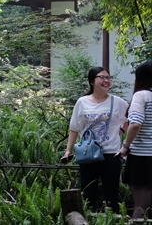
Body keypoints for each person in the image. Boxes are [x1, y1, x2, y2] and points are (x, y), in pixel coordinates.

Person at [60, 67, 128, 213]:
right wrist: (68, 151)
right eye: (102, 77)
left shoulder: (117, 102)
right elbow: (74, 128)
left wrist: (120, 131)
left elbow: (131, 119)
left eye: (108, 78)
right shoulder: (82, 102)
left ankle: (114, 220)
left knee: (112, 195)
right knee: (88, 193)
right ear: (92, 81)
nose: (106, 81)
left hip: (111, 153)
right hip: (87, 153)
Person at [119, 61, 152, 219]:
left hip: (142, 157)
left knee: (141, 204)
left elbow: (135, 124)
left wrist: (125, 146)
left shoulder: (142, 95)